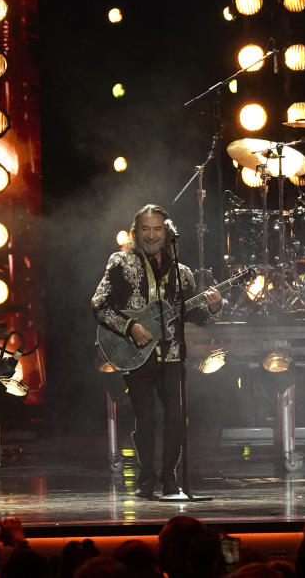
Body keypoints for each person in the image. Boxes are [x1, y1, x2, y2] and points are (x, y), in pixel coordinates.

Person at [91, 205, 222, 498]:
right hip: (135, 355)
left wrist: (214, 307)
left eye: (158, 229)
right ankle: (147, 480)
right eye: (146, 229)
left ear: (167, 233)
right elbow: (99, 304)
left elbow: (194, 314)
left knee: (176, 418)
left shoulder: (182, 273)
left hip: (172, 354)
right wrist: (130, 327)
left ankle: (170, 479)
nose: (152, 235)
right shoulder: (121, 263)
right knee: (146, 418)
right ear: (136, 232)